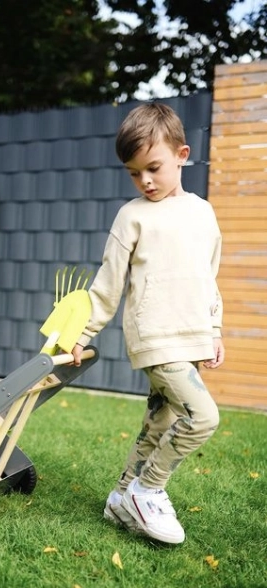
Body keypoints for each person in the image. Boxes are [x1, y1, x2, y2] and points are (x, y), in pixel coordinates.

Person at [72, 102, 225, 545]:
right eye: (134, 173)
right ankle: (148, 489)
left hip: (190, 336)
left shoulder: (203, 213)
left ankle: (120, 498)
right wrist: (83, 334)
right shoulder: (132, 216)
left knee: (157, 424)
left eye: (153, 168)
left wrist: (214, 331)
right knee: (202, 417)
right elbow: (108, 284)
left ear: (182, 154)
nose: (145, 181)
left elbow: (207, 278)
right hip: (155, 339)